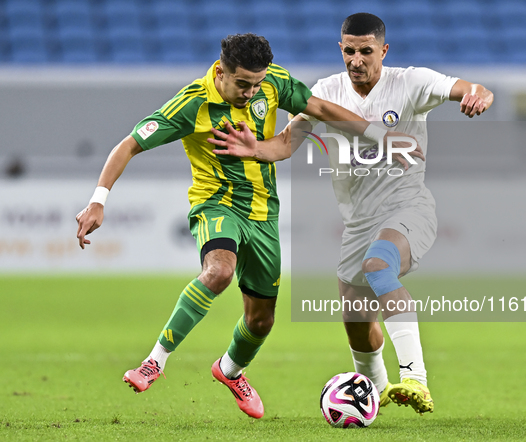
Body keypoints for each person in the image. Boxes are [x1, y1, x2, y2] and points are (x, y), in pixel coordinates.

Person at [75, 33, 409, 419]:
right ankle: (155, 361)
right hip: (215, 204)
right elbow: (129, 144)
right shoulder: (192, 104)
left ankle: (231, 370)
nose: (252, 92)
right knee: (219, 271)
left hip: (264, 213)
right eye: (243, 84)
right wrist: (98, 200)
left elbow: (318, 107)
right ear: (221, 72)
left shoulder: (271, 81)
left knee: (261, 319)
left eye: (257, 84)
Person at [209, 14, 494, 415]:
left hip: (408, 207)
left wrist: (480, 94)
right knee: (357, 320)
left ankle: (416, 379)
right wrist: (253, 148)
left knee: (379, 266)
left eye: (365, 51)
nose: (356, 59)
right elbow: (287, 144)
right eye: (348, 50)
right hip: (358, 223)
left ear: (383, 50)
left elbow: (467, 87)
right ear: (340, 49)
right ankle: (377, 392)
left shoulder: (410, 82)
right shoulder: (327, 91)